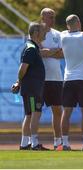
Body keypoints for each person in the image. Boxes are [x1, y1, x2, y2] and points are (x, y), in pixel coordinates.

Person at [11, 22, 49, 150]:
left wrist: (19, 82)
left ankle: (24, 143)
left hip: (32, 87)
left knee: (29, 115)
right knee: (35, 113)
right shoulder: (31, 48)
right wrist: (18, 81)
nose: (45, 33)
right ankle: (34, 143)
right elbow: (22, 69)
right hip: (33, 88)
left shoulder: (32, 47)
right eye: (43, 31)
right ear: (36, 33)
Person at [60, 14, 83, 151]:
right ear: (79, 22)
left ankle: (65, 144)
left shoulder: (63, 36)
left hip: (68, 79)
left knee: (66, 112)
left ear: (67, 25)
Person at [40, 8, 64, 150]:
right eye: (49, 17)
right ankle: (32, 141)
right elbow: (38, 52)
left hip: (56, 78)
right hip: (40, 79)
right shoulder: (36, 32)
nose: (52, 19)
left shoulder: (58, 34)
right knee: (35, 112)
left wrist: (48, 52)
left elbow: (63, 54)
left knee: (57, 110)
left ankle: (58, 141)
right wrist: (53, 51)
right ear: (42, 18)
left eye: (53, 17)